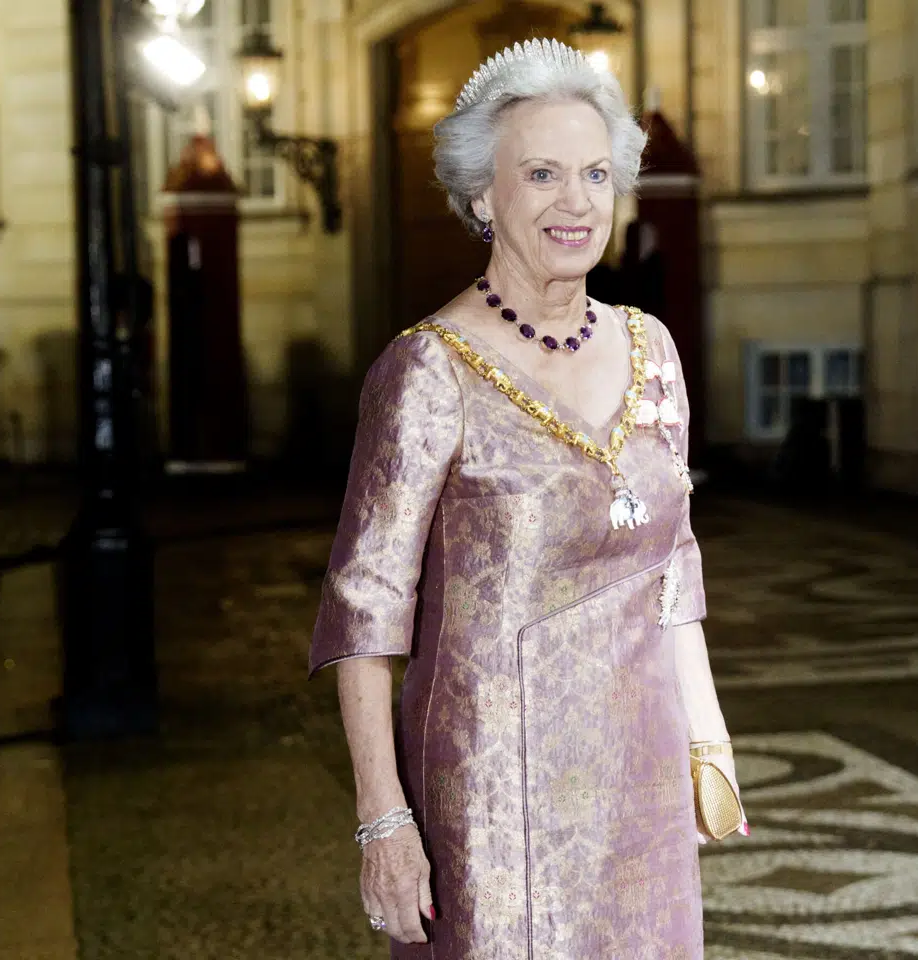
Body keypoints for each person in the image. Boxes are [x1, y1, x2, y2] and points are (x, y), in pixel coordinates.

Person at [309, 38, 745, 958]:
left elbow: (674, 564)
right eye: (541, 173)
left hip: (641, 778)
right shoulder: (427, 372)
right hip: (491, 788)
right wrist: (383, 820)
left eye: (595, 173)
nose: (575, 201)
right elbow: (364, 615)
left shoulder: (653, 349)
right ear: (482, 195)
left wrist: (708, 743)